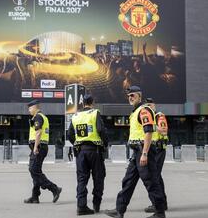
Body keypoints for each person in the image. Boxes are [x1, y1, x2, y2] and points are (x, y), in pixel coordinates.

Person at [105, 86, 166, 218]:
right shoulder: (136, 111)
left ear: (139, 96)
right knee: (128, 181)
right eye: (128, 96)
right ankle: (119, 210)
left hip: (144, 151)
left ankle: (160, 213)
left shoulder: (144, 110)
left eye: (132, 95)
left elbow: (148, 132)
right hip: (137, 152)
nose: (130, 98)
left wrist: (144, 153)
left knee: (151, 182)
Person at [68, 94, 109, 215]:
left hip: (80, 151)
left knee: (81, 179)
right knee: (98, 177)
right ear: (92, 102)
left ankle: (81, 207)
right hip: (94, 150)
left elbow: (70, 134)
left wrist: (77, 143)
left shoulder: (75, 116)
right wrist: (105, 144)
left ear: (82, 103)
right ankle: (96, 205)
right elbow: (101, 130)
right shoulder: (95, 113)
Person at [24, 99, 62, 204]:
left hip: (39, 147)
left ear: (35, 107)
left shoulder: (38, 117)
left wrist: (35, 147)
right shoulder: (42, 117)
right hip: (40, 147)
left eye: (30, 108)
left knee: (33, 170)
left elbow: (38, 133)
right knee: (35, 171)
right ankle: (35, 196)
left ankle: (54, 189)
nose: (29, 110)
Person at [144, 98, 169, 213]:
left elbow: (163, 131)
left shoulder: (159, 116)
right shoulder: (150, 117)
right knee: (157, 176)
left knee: (154, 176)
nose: (149, 107)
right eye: (147, 105)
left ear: (154, 105)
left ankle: (158, 204)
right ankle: (161, 203)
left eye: (150, 104)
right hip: (154, 150)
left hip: (159, 149)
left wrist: (150, 127)